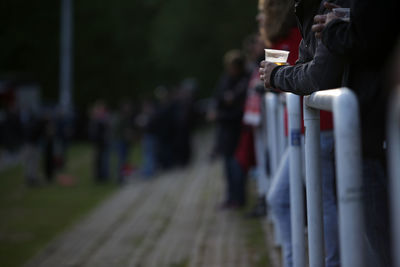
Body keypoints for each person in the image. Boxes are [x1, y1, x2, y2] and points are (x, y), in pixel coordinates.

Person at [311, 1, 400, 266]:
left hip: (372, 128)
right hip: (373, 128)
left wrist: (332, 28)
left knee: (380, 244)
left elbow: (366, 42)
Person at [259, 0, 347, 266]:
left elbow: (313, 75)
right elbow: (297, 70)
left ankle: (324, 261)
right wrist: (276, 76)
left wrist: (277, 75)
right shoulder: (301, 21)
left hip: (322, 125)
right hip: (308, 127)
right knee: (310, 200)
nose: (259, 19)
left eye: (262, 12)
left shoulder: (298, 27)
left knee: (323, 202)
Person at [212, 50, 249, 209]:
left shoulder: (244, 82)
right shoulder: (226, 80)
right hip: (226, 132)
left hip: (237, 131)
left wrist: (222, 112)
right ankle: (231, 197)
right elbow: (218, 99)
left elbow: (239, 109)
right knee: (227, 167)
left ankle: (238, 198)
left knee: (237, 166)